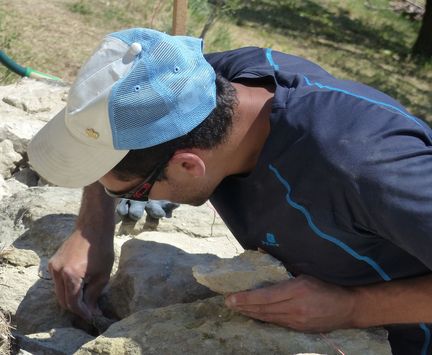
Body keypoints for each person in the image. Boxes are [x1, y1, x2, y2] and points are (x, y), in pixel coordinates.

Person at [28, 27, 432, 354]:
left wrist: (355, 308)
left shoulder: (367, 165)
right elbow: (124, 129)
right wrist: (92, 228)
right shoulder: (201, 84)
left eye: (132, 194)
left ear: (187, 165)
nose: (127, 200)